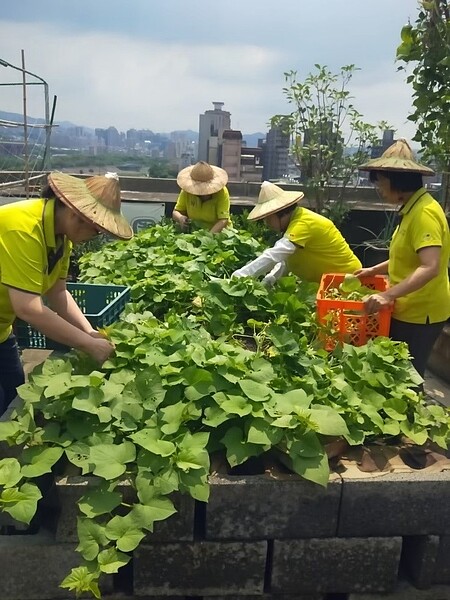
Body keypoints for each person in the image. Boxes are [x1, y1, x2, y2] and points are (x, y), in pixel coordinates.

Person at [0, 171, 133, 416]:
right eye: (96, 230)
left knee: (14, 394)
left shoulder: (61, 237)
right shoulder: (23, 229)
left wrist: (90, 332)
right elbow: (28, 308)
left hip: (2, 328)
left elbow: (58, 292)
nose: (96, 236)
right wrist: (87, 346)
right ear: (76, 214)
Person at [356, 138, 450, 380]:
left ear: (392, 181)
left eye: (380, 184)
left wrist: (387, 295)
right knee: (400, 369)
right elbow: (406, 257)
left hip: (421, 311)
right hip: (408, 305)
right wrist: (373, 270)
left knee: (409, 375)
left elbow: (430, 267)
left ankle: (410, 416)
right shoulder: (412, 208)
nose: (379, 190)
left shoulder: (424, 213)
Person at [232, 181, 361, 285]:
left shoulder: (303, 223)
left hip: (346, 281)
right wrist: (270, 279)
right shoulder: (295, 223)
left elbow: (275, 254)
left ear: (280, 212)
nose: (267, 223)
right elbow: (286, 258)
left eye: (268, 218)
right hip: (328, 283)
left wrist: (240, 276)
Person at [172, 161, 231, 233]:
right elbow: (176, 212)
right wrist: (181, 218)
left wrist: (207, 236)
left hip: (220, 234)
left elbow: (223, 220)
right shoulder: (186, 191)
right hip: (195, 232)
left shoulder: (222, 192)